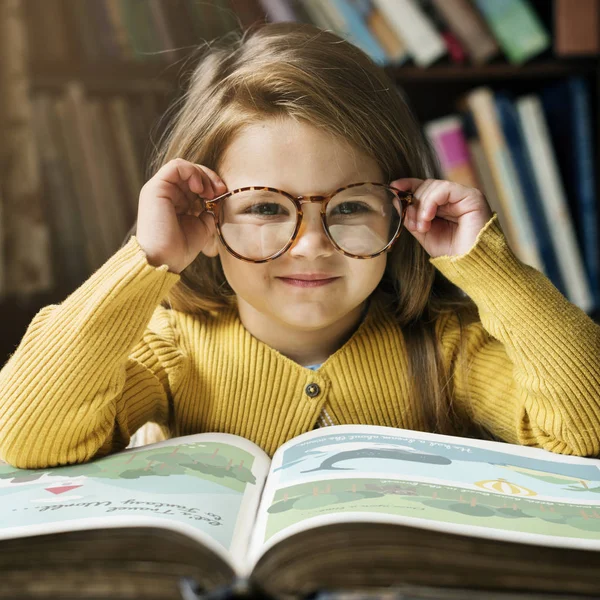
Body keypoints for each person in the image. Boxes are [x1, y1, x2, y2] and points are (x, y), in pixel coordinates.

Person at [1, 22, 599, 470]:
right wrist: (148, 260)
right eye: (265, 207)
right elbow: (27, 436)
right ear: (204, 219)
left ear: (403, 213)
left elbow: (585, 434)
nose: (312, 245)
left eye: (349, 206)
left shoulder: (447, 347)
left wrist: (493, 270)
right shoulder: (172, 352)